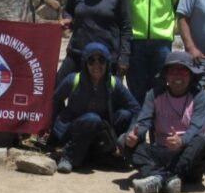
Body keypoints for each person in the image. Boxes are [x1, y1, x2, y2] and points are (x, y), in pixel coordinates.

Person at [124, 51, 205, 193]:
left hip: (187, 157)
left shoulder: (201, 97)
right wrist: (134, 135)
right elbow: (143, 121)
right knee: (123, 141)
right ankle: (167, 180)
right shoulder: (154, 94)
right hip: (162, 151)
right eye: (173, 71)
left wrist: (181, 141)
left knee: (204, 141)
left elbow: (196, 127)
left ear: (191, 75)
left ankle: (158, 178)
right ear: (166, 75)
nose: (178, 76)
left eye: (183, 71)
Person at [51, 43, 140, 174]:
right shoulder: (73, 80)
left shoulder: (113, 82)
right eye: (91, 60)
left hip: (100, 129)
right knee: (92, 119)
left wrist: (131, 132)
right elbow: (56, 100)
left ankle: (108, 154)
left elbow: (136, 109)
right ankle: (69, 157)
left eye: (101, 60)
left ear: (107, 63)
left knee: (125, 115)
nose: (97, 65)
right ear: (85, 64)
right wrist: (57, 125)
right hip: (75, 128)